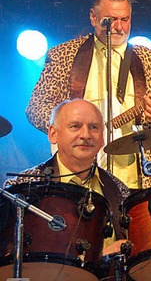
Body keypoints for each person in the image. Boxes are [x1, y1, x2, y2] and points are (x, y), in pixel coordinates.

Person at [26, 0, 151, 189]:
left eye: (125, 19)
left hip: (132, 182)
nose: (119, 27)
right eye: (111, 19)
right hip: (74, 178)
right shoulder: (65, 55)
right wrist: (72, 129)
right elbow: (36, 107)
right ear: (93, 17)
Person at [5, 99, 129, 255]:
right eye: (75, 126)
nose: (85, 135)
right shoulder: (23, 186)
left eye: (94, 127)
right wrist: (100, 256)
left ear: (103, 138)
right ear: (53, 134)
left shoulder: (118, 189)